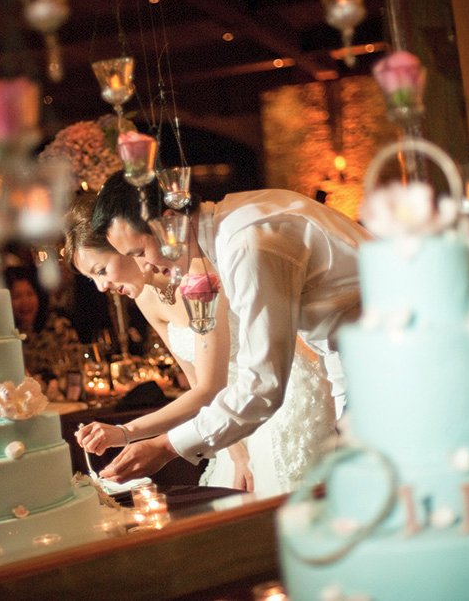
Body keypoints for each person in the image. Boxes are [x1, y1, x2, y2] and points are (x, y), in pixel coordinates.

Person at [89, 169, 370, 484]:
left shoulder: (247, 245)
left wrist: (167, 447)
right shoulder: (233, 219)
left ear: (170, 222)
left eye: (139, 252)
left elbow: (263, 386)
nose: (144, 266)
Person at [4, 265, 81, 382]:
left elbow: (77, 368)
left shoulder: (59, 327)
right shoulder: (5, 338)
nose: (25, 302)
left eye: (30, 294)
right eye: (17, 296)